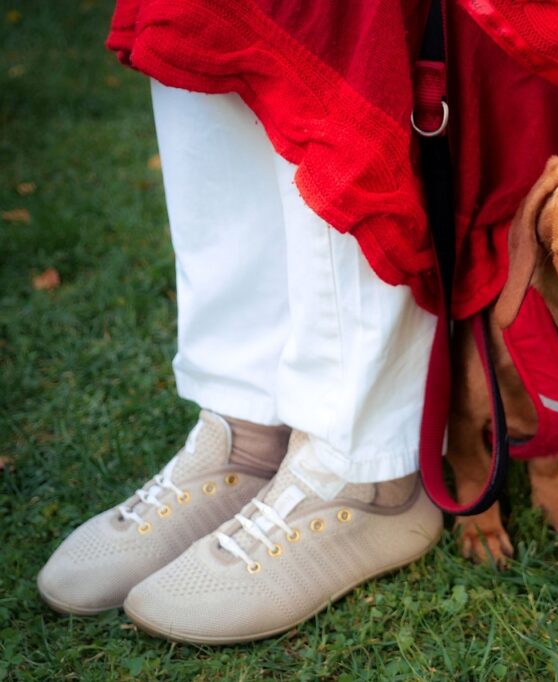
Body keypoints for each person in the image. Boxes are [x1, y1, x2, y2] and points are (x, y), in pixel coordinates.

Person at [37, 81, 442, 645]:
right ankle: (250, 431)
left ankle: (365, 471)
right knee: (213, 80)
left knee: (334, 85)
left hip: (368, 463)